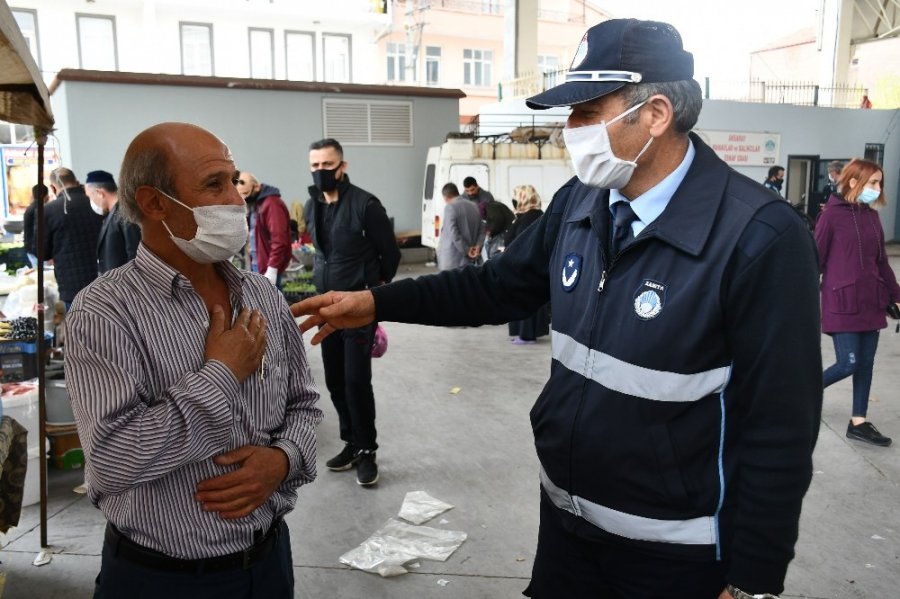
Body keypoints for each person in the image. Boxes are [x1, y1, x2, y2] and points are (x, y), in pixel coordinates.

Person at [293, 18, 823, 599]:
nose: (569, 130)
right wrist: (375, 301)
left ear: (656, 115)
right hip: (568, 529)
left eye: (585, 112)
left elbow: (782, 425)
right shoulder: (581, 202)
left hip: (677, 555)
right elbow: (496, 287)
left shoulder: (758, 237)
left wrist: (751, 581)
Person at [65, 122, 323, 598]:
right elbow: (112, 462)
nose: (235, 200)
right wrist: (221, 375)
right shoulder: (104, 312)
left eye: (233, 179)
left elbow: (305, 405)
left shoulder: (260, 294)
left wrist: (283, 460)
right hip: (160, 579)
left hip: (267, 563)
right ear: (155, 203)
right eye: (213, 185)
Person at [304, 138, 400, 486]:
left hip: (358, 306)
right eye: (315, 166)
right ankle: (351, 441)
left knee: (357, 380)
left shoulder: (365, 205)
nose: (320, 172)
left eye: (326, 166)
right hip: (326, 307)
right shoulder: (312, 205)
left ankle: (367, 451)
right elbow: (322, 251)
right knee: (334, 380)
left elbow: (390, 254)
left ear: (342, 166)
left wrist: (374, 294)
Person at [815, 158, 899, 447]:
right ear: (853, 182)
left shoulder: (872, 216)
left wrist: (896, 295)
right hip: (841, 301)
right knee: (847, 363)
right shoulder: (831, 216)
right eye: (873, 182)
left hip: (871, 301)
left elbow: (882, 263)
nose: (877, 188)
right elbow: (815, 259)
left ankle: (858, 422)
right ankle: (801, 395)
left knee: (865, 364)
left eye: (879, 183)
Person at [44, 167, 104, 309]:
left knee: (78, 329)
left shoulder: (49, 210)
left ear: (53, 187)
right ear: (76, 182)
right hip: (103, 279)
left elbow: (43, 252)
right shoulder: (96, 202)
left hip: (71, 284)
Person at [504, 185, 549, 345]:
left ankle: (527, 335)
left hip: (525, 265)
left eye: (517, 198)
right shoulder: (537, 214)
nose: (515, 202)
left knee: (524, 300)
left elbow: (520, 240)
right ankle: (527, 334)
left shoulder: (529, 216)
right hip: (532, 264)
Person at [235, 171, 292, 286]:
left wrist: (272, 269)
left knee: (271, 302)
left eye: (246, 194)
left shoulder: (272, 204)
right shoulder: (256, 205)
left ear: (256, 187)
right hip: (259, 265)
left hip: (267, 267)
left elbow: (279, 239)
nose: (244, 199)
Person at [85, 170, 142, 273]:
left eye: (90, 196)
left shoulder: (124, 212)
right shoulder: (113, 213)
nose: (91, 201)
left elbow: (134, 253)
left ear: (99, 193)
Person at [437, 182, 484, 271]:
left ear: (445, 197)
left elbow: (453, 233)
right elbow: (482, 229)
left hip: (452, 260)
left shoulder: (449, 207)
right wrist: (478, 246)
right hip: (470, 261)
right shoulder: (474, 206)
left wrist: (467, 250)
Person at [482, 196, 515, 260]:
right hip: (508, 230)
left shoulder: (490, 208)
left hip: (502, 232)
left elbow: (498, 219)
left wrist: (491, 231)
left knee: (495, 255)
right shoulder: (495, 205)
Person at [23, 183, 48, 268]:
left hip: (30, 248)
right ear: (46, 195)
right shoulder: (40, 209)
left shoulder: (31, 207)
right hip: (37, 250)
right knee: (43, 274)